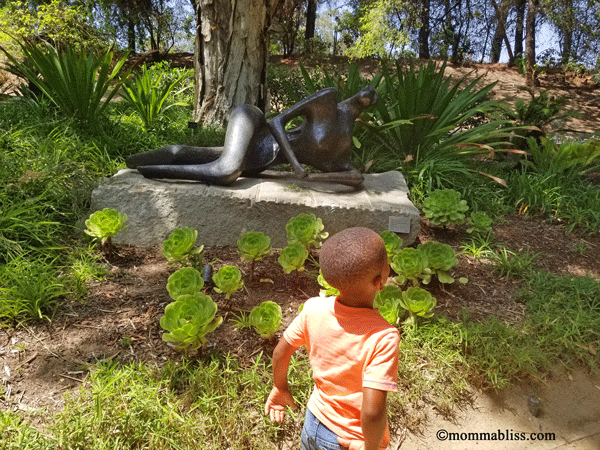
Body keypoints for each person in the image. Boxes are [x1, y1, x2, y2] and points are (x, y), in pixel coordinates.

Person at [264, 227, 400, 450]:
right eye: (386, 262)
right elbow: (373, 412)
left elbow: (280, 352)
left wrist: (280, 388)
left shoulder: (313, 309)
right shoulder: (383, 337)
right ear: (379, 282)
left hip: (313, 423)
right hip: (348, 440)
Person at [126, 86, 378, 188]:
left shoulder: (341, 146)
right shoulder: (328, 101)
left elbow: (357, 179)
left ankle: (143, 161)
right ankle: (152, 170)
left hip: (258, 158)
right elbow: (277, 121)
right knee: (226, 171)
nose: (367, 94)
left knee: (187, 154)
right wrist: (296, 165)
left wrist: (310, 177)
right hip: (252, 121)